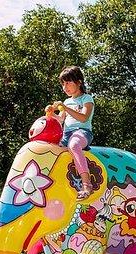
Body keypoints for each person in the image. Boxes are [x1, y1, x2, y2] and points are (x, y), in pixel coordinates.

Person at [52, 66, 95, 199]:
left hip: (83, 132)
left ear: (79, 82)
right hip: (66, 134)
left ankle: (87, 184)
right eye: (63, 84)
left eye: (68, 83)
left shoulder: (86, 99)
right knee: (51, 148)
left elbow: (84, 118)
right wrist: (51, 114)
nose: (65, 87)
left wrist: (65, 108)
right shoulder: (67, 102)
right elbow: (61, 120)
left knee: (74, 145)